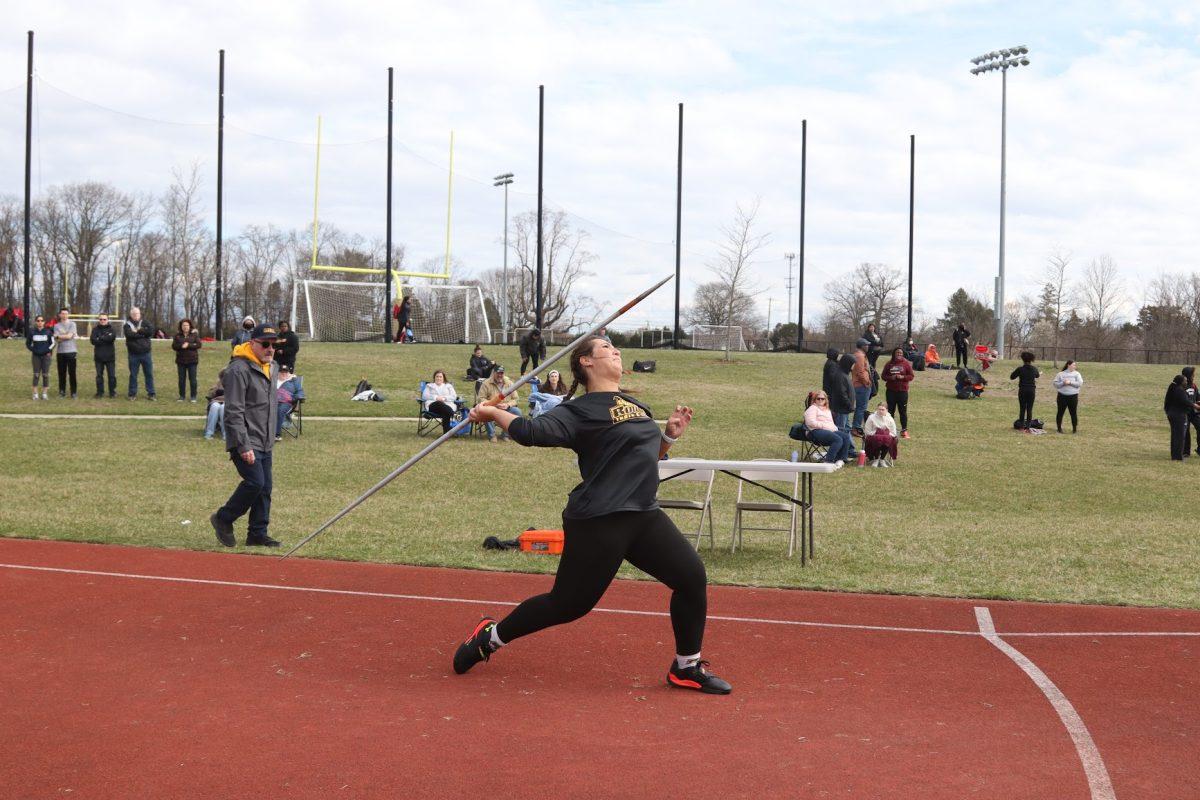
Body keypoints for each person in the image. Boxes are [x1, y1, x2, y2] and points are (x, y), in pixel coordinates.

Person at [454, 335, 731, 695]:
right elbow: (532, 432)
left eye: (616, 348)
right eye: (606, 348)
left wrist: (668, 439)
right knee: (568, 605)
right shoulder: (577, 411)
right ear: (585, 362)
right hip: (599, 517)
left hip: (643, 514)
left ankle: (686, 668)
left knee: (692, 578)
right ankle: (490, 637)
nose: (615, 351)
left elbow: (644, 458)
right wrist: (493, 412)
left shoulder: (636, 405)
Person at [210, 323, 282, 548]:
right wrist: (243, 445)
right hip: (245, 440)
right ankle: (223, 518)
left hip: (265, 439)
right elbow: (234, 411)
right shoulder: (238, 370)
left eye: (274, 345)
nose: (270, 349)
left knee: (265, 488)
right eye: (265, 344)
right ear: (252, 344)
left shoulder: (273, 367)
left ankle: (257, 533)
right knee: (255, 482)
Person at [803, 391, 853, 465]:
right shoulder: (812, 409)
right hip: (814, 431)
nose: (820, 400)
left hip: (828, 431)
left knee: (845, 437)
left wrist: (834, 427)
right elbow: (810, 422)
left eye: (822, 399)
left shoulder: (827, 410)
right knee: (837, 439)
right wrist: (824, 426)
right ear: (814, 400)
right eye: (818, 398)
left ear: (825, 400)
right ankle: (828, 461)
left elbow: (830, 423)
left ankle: (841, 459)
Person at [476, 366, 522, 441]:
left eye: (502, 373)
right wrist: (492, 404)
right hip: (492, 408)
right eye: (498, 373)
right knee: (485, 411)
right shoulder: (486, 383)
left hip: (506, 408)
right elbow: (480, 398)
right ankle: (492, 435)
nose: (500, 375)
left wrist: (507, 405)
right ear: (493, 373)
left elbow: (516, 399)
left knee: (517, 411)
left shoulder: (509, 383)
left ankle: (506, 434)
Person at [882, 346, 915, 439]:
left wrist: (903, 377)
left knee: (902, 411)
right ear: (894, 354)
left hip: (902, 391)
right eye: (897, 353)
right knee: (890, 411)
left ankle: (904, 430)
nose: (899, 354)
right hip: (891, 391)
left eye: (901, 353)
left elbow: (911, 376)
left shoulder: (906, 363)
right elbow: (883, 376)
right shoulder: (889, 364)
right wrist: (890, 378)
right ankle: (890, 430)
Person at [125, 306, 156, 400]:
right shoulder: (127, 324)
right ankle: (132, 394)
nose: (135, 315)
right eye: (134, 314)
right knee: (133, 375)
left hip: (146, 353)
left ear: (140, 314)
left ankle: (151, 394)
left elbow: (150, 331)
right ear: (131, 315)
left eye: (137, 313)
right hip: (133, 354)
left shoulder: (145, 322)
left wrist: (139, 330)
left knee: (149, 374)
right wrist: (143, 334)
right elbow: (129, 335)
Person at [172, 318, 202, 403]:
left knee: (192, 379)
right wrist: (181, 346)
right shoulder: (177, 335)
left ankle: (193, 396)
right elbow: (174, 346)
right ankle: (182, 396)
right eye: (183, 325)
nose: (185, 327)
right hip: (180, 361)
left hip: (192, 361)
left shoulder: (194, 335)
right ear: (181, 327)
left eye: (187, 325)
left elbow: (199, 345)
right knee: (181, 379)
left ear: (190, 326)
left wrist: (189, 345)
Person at [1164, 375, 1193, 461]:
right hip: (1179, 416)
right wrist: (1195, 405)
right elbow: (1185, 401)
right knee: (1180, 437)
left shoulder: (1174, 389)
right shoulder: (1179, 391)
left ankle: (1174, 456)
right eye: (1185, 381)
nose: (1186, 382)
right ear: (1181, 382)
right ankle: (1178, 457)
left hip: (1172, 414)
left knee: (1175, 436)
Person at [422, 369, 459, 434]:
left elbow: (454, 396)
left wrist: (444, 398)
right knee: (439, 403)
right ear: (434, 378)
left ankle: (446, 433)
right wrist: (436, 397)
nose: (438, 378)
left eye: (440, 377)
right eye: (437, 376)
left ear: (443, 378)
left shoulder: (448, 386)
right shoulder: (429, 386)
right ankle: (454, 414)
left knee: (445, 412)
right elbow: (424, 396)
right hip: (433, 407)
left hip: (447, 406)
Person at [25, 314, 53, 400]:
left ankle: (44, 394)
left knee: (45, 375)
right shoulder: (32, 332)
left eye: (41, 320)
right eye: (38, 321)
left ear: (44, 322)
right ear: (36, 322)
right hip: (36, 356)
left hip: (46, 356)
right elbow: (28, 344)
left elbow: (53, 343)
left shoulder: (48, 332)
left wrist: (48, 351)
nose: (40, 322)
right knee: (36, 375)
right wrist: (33, 350)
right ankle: (35, 394)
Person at [1010, 351, 1040, 430]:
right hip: (1031, 390)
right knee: (1029, 408)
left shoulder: (1020, 369)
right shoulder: (1034, 368)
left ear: (1023, 359)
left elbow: (1012, 377)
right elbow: (1037, 375)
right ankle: (1028, 426)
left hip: (1022, 390)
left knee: (1022, 408)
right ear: (1031, 360)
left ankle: (1021, 426)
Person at [89, 313, 118, 398]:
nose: (102, 321)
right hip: (98, 357)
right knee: (99, 376)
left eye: (104, 319)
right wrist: (105, 337)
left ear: (107, 320)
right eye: (101, 319)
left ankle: (112, 392)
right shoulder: (95, 329)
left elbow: (111, 338)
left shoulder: (112, 329)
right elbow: (93, 341)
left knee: (112, 376)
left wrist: (100, 338)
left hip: (110, 357)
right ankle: (100, 392)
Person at [53, 307, 79, 399]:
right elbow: (57, 339)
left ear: (68, 315)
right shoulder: (56, 326)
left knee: (72, 373)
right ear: (60, 315)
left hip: (71, 351)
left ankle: (74, 392)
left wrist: (61, 336)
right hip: (60, 352)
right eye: (62, 313)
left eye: (66, 313)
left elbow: (69, 336)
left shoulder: (72, 324)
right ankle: (62, 391)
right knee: (61, 373)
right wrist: (65, 336)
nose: (64, 315)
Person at [863, 403, 899, 467]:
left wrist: (885, 433)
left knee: (887, 439)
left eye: (883, 410)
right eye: (879, 409)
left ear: (886, 410)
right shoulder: (871, 417)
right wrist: (878, 432)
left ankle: (882, 459)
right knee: (878, 438)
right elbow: (867, 431)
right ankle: (876, 459)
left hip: (887, 438)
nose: (880, 411)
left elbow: (893, 432)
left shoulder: (890, 419)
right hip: (873, 437)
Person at [1052, 360, 1083, 434]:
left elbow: (1080, 383)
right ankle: (1059, 429)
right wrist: (1063, 383)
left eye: (1075, 365)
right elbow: (1055, 384)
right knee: (1060, 412)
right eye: (1073, 365)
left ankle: (1074, 429)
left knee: (1073, 413)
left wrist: (1070, 382)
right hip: (1062, 396)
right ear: (1068, 365)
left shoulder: (1077, 374)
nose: (1075, 366)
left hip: (1073, 396)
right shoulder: (1060, 374)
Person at [275, 365, 305, 437]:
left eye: (286, 372)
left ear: (289, 373)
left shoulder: (294, 381)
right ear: (278, 372)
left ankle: (277, 434)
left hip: (286, 403)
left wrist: (295, 398)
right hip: (272, 401)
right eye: (282, 372)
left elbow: (300, 392)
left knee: (280, 410)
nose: (284, 374)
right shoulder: (273, 380)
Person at [851, 342, 872, 435]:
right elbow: (860, 372)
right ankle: (856, 428)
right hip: (861, 385)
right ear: (861, 346)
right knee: (861, 407)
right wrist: (866, 382)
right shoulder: (860, 356)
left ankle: (855, 427)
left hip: (859, 384)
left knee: (860, 407)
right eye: (866, 345)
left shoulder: (859, 355)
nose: (868, 346)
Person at [204, 369, 226, 440]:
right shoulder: (219, 383)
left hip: (228, 402)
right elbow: (210, 393)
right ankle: (209, 433)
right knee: (214, 406)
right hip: (216, 401)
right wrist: (216, 391)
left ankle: (225, 434)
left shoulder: (235, 383)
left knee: (223, 408)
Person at [1183, 367, 1200, 457]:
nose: (1194, 376)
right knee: (1186, 432)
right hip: (1185, 413)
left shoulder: (1194, 386)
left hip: (1194, 413)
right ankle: (1186, 452)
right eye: (1192, 375)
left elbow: (1198, 398)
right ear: (1188, 376)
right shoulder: (1182, 387)